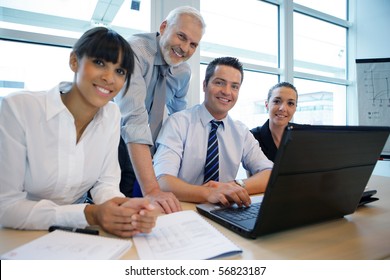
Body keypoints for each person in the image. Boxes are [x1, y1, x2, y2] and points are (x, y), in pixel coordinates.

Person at [0, 27, 158, 238]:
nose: (110, 78)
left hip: (75, 233)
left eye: (120, 71)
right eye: (100, 63)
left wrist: (126, 210)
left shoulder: (112, 114)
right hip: (15, 233)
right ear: (74, 61)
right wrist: (90, 214)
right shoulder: (18, 108)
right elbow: (6, 207)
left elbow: (106, 184)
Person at [114, 6, 206, 213]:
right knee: (122, 201)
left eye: (193, 44)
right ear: (164, 27)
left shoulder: (183, 71)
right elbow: (134, 120)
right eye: (181, 37)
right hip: (116, 137)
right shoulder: (134, 51)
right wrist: (153, 190)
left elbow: (179, 116)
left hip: (151, 143)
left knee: (150, 209)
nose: (185, 48)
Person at [153, 57, 273, 207]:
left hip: (224, 209)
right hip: (184, 208)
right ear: (205, 85)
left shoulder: (241, 132)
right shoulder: (178, 123)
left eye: (234, 86)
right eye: (219, 82)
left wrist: (233, 186)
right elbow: (163, 180)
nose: (227, 92)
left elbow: (269, 173)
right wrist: (208, 193)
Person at [250, 82, 299, 162]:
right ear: (267, 105)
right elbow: (251, 173)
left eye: (290, 103)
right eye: (276, 101)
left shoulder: (301, 134)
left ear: (295, 108)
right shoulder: (253, 137)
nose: (283, 108)